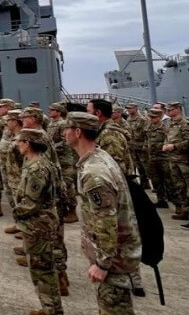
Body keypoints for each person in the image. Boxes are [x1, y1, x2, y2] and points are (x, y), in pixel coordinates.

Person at [63, 112, 142, 315]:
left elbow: (106, 221)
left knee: (113, 309)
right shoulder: (99, 157)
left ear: (78, 132)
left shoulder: (94, 172)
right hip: (115, 255)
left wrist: (103, 264)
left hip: (113, 261)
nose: (64, 133)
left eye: (67, 129)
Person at [13, 129, 63, 315]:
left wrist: (17, 212)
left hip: (37, 225)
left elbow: (31, 204)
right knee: (42, 270)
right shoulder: (36, 163)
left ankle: (51, 310)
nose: (18, 145)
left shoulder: (37, 169)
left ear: (28, 144)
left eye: (20, 142)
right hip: (37, 224)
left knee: (42, 271)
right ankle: (50, 308)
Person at [47, 102, 79, 223]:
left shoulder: (63, 124)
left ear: (59, 112)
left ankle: (72, 211)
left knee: (68, 185)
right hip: (55, 159)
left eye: (53, 110)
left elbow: (66, 141)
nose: (50, 111)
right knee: (58, 185)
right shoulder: (51, 124)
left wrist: (52, 146)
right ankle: (63, 209)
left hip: (64, 159)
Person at [162, 102, 189, 220]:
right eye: (168, 109)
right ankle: (185, 211)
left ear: (178, 110)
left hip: (183, 160)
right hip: (172, 159)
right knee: (179, 186)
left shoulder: (185, 124)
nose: (169, 111)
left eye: (171, 109)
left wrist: (174, 146)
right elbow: (167, 137)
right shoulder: (169, 123)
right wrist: (165, 145)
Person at [144, 109, 173, 208]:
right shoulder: (149, 127)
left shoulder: (165, 128)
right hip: (152, 158)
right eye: (150, 117)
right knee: (156, 181)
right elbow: (147, 139)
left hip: (163, 158)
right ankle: (161, 200)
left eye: (153, 117)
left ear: (160, 117)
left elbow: (169, 141)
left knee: (169, 181)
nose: (151, 119)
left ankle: (177, 203)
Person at [3, 110, 24, 234]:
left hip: (19, 176)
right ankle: (18, 223)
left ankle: (25, 229)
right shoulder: (13, 136)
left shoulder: (22, 138)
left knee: (22, 204)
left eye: (8, 121)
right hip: (12, 175)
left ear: (15, 122)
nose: (6, 123)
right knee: (16, 203)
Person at [126, 103, 150, 189]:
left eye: (130, 108)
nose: (128, 110)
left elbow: (147, 133)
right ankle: (144, 183)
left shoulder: (142, 119)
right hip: (133, 147)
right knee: (138, 167)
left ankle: (154, 184)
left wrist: (146, 145)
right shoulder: (128, 119)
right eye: (127, 108)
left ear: (136, 108)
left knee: (146, 167)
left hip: (141, 147)